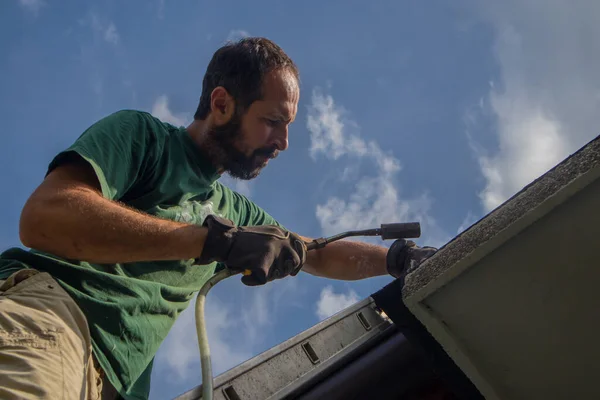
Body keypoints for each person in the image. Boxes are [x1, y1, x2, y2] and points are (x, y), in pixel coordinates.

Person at [0, 37, 437, 400]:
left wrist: (398, 260)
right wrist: (207, 242)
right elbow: (45, 217)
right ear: (222, 104)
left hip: (108, 384)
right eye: (272, 121)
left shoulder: (235, 213)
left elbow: (318, 254)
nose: (283, 142)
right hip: (49, 323)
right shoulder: (145, 138)